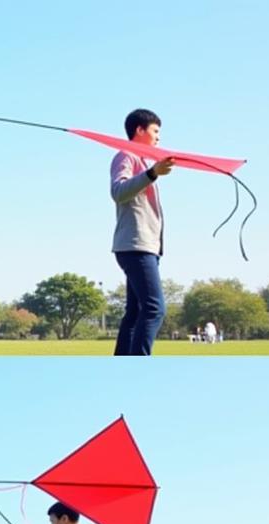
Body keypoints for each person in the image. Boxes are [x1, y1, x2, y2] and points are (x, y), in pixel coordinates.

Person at [111, 109, 175, 356]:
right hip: (135, 247)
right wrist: (152, 174)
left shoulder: (142, 161)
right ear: (139, 130)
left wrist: (152, 171)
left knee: (136, 312)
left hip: (144, 247)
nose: (158, 137)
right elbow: (118, 192)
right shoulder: (125, 155)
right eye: (155, 131)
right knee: (154, 309)